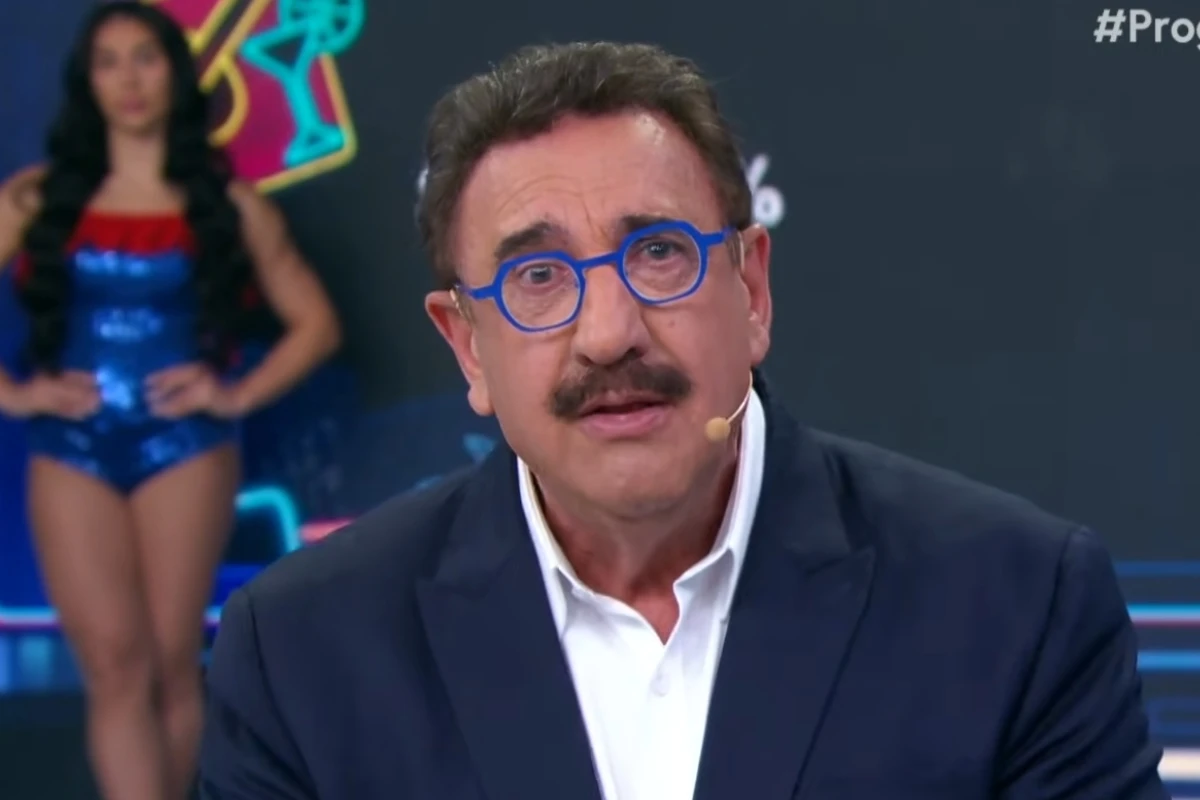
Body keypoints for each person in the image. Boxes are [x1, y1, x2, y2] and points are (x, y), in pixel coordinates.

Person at [197, 42, 1165, 799]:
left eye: (658, 253)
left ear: (753, 290)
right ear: (467, 347)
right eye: (539, 277)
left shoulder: (1016, 605)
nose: (608, 333)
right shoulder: (302, 652)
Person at [0, 3, 341, 799]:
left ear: (175, 75)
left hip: (184, 445)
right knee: (114, 665)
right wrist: (15, 395)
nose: (129, 79)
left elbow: (317, 325)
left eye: (145, 58)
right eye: (109, 61)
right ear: (88, 82)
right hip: (70, 446)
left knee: (168, 660)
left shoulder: (226, 204)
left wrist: (235, 392)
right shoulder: (36, 199)